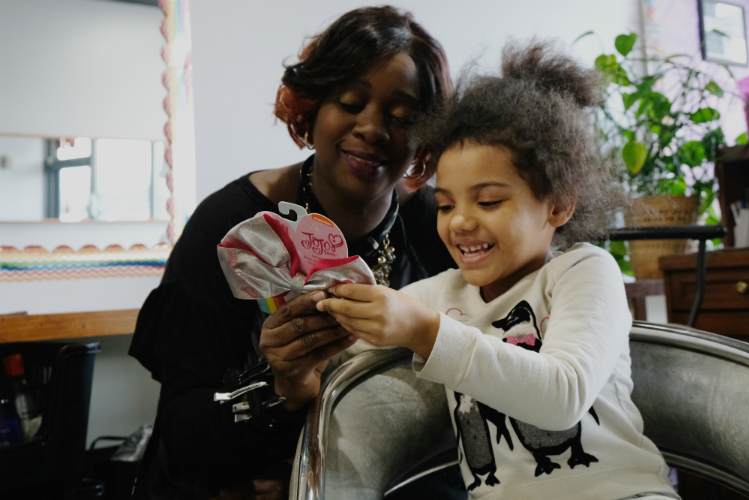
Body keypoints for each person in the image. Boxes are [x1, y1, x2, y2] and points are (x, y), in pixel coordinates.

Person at [317, 40, 680, 500]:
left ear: (559, 205)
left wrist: (427, 334)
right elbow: (345, 349)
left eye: (488, 201)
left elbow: (562, 396)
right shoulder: (439, 295)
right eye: (445, 204)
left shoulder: (583, 272)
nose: (460, 221)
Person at [129, 6, 461, 499]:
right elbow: (181, 436)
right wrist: (280, 392)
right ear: (311, 109)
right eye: (350, 102)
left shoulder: (441, 225)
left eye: (402, 117)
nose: (372, 128)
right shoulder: (232, 233)